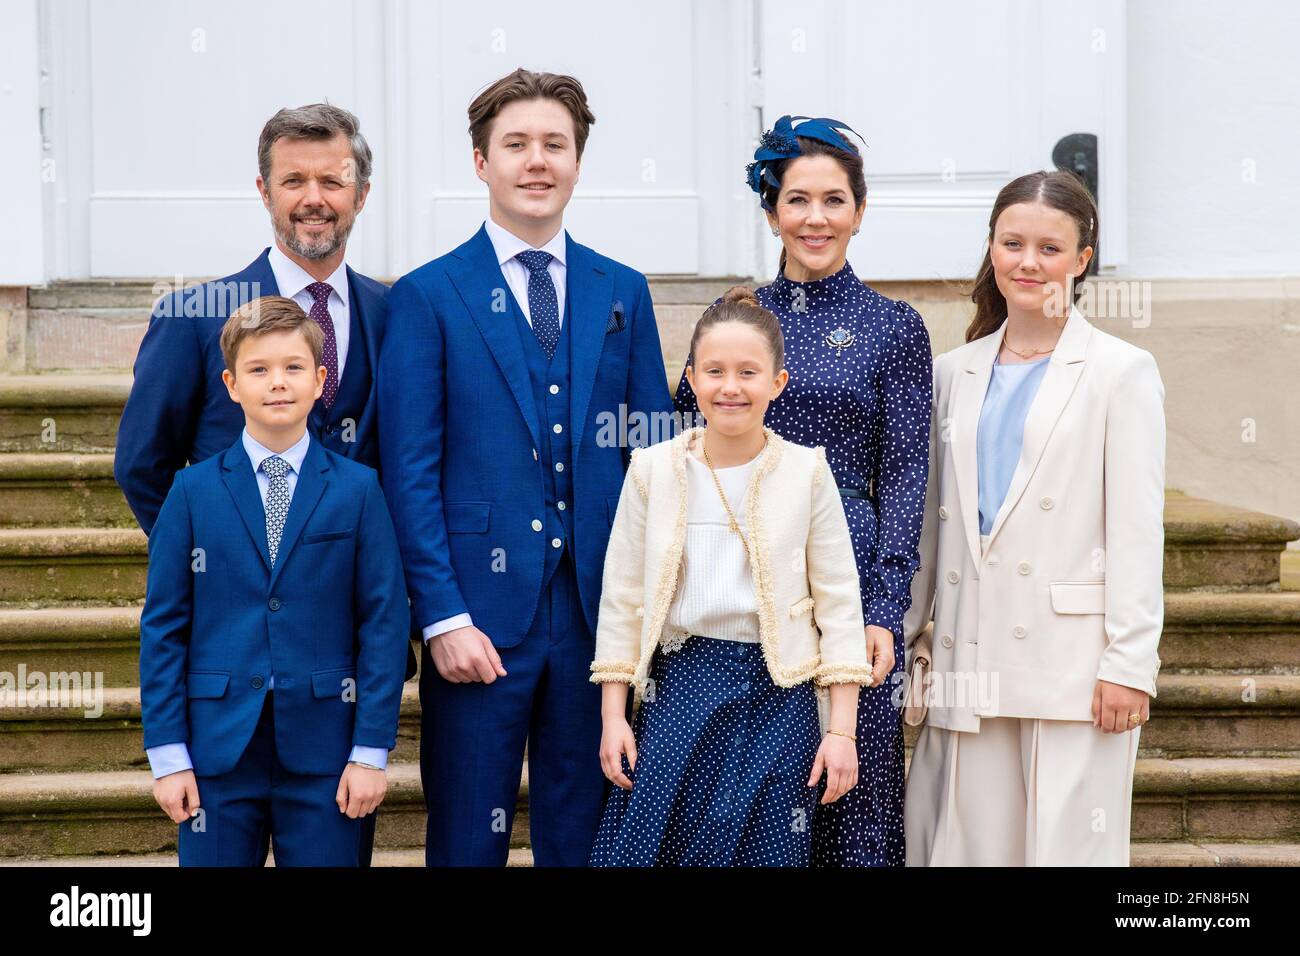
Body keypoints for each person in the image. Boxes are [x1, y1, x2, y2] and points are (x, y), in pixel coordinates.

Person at [377, 68, 674, 866]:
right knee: (468, 838)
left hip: (597, 619)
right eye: (516, 145)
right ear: (481, 163)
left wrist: (647, 609)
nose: (536, 161)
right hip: (475, 621)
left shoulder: (624, 292)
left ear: (577, 161)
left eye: (555, 144)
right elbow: (407, 470)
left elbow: (653, 459)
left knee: (586, 838)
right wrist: (440, 616)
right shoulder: (428, 295)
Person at [115, 102, 407, 864]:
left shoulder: (396, 312)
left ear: (361, 193)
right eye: (293, 180)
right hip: (229, 676)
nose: (314, 197)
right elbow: (142, 463)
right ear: (264, 189)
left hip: (332, 680)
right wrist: (214, 561)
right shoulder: (192, 315)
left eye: (333, 180)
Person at [673, 115, 931, 866]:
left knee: (851, 783)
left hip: (849, 579)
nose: (815, 218)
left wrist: (887, 610)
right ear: (770, 210)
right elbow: (684, 442)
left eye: (833, 200)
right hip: (741, 575)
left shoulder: (894, 326)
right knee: (754, 788)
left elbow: (908, 473)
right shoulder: (736, 317)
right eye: (797, 200)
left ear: (858, 210)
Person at [902, 170, 1165, 866]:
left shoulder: (1120, 372)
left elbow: (1136, 530)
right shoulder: (951, 372)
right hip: (967, 660)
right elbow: (932, 526)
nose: (1028, 262)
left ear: (1082, 260)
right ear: (991, 249)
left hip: (1072, 671)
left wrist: (1130, 663)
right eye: (1012, 242)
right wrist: (898, 639)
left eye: (1050, 248)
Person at [589, 287, 870, 866]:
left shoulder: (807, 472)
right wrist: (614, 717)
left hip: (779, 693)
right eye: (715, 371)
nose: (731, 386)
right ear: (691, 379)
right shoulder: (653, 470)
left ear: (778, 382)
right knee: (662, 843)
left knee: (764, 847)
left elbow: (839, 606)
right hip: (681, 690)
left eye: (749, 372)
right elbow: (623, 599)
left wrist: (841, 731)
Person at [140, 297, 409, 866]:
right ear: (232, 385)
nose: (277, 383)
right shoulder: (191, 493)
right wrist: (168, 755)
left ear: (319, 381)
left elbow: (383, 623)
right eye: (259, 370)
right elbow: (164, 626)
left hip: (327, 756)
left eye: (292, 368)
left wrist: (370, 751)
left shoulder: (359, 490)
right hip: (216, 755)